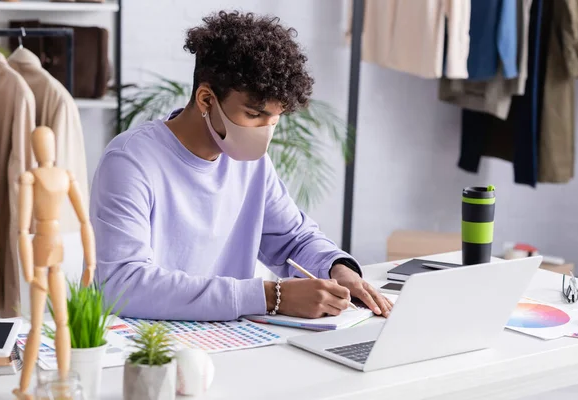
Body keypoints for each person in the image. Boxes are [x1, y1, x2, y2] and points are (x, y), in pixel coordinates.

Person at [90, 10, 393, 321]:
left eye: (275, 119)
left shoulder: (251, 164)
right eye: (254, 115)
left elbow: (293, 238)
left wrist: (339, 270)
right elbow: (122, 285)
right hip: (150, 344)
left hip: (230, 338)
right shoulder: (130, 160)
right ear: (206, 99)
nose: (265, 131)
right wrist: (271, 296)